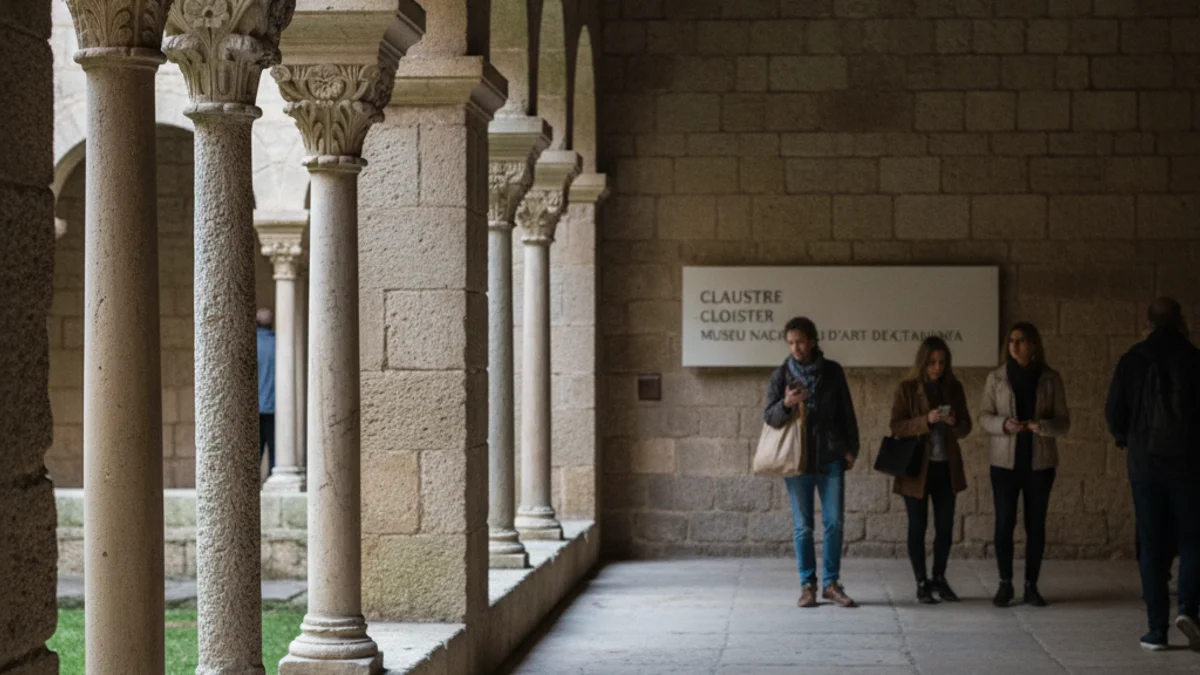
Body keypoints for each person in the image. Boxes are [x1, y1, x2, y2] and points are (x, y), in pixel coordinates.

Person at [1105, 298, 1200, 652]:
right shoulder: (1194, 359)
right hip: (1190, 467)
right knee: (1193, 539)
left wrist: (1127, 441)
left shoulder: (1132, 360)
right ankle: (1189, 610)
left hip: (1145, 467)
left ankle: (1156, 630)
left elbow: (1114, 412)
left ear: (1148, 324)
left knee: (1152, 544)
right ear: (1181, 322)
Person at [763, 317, 861, 609]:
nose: (796, 348)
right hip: (797, 460)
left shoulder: (832, 372)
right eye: (791, 343)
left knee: (834, 522)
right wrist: (787, 404)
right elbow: (769, 416)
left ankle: (831, 584)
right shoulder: (781, 375)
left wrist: (851, 447)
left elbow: (847, 413)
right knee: (803, 526)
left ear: (813, 341)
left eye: (801, 341)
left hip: (830, 456)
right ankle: (808, 585)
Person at [979, 322, 1070, 608]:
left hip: (1039, 462)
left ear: (1034, 344)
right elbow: (984, 417)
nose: (1014, 346)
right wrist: (1003, 424)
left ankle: (1032, 585)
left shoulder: (1050, 378)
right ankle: (1005, 583)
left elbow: (1064, 422)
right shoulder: (996, 378)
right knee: (1004, 523)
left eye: (1020, 341)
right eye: (1011, 341)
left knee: (1036, 525)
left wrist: (1042, 427)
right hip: (1005, 463)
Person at [890, 337, 972, 605]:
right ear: (923, 362)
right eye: (932, 362)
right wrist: (926, 420)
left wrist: (953, 421)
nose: (937, 367)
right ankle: (921, 581)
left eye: (941, 362)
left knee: (946, 527)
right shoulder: (908, 389)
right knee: (918, 526)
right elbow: (897, 426)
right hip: (917, 470)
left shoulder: (953, 388)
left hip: (945, 467)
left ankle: (939, 576)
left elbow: (966, 428)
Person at [257, 307, 276, 475]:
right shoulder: (278, 344)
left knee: (254, 452)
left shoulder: (251, 344)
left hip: (254, 407)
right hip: (274, 406)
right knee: (276, 451)